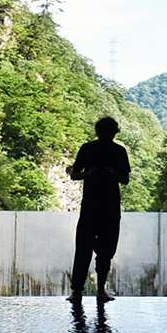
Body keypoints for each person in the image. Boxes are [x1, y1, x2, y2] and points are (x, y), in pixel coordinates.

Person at [66, 116, 131, 304]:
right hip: (108, 207)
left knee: (85, 249)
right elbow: (125, 179)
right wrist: (111, 174)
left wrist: (88, 174)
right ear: (114, 132)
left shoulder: (88, 148)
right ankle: (99, 290)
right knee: (104, 250)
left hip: (92, 207)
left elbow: (74, 174)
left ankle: (78, 292)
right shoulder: (118, 151)